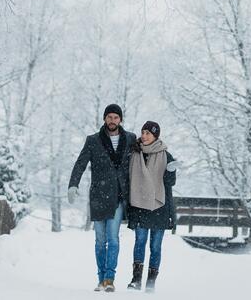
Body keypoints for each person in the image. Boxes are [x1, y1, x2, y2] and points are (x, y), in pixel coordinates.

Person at [67, 104, 136, 292]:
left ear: (120, 120)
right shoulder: (93, 140)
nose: (112, 120)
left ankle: (109, 279)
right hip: (98, 195)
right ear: (105, 119)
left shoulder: (130, 139)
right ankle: (100, 278)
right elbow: (80, 163)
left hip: (119, 196)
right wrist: (73, 184)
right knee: (100, 240)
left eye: (116, 117)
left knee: (113, 238)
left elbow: (144, 159)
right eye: (109, 117)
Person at [126, 121, 179, 293]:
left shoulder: (166, 156)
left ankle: (150, 283)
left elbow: (170, 184)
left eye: (148, 133)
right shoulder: (135, 153)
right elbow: (128, 179)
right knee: (139, 242)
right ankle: (136, 280)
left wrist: (171, 171)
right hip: (140, 205)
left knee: (155, 246)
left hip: (159, 207)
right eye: (143, 132)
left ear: (156, 135)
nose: (144, 135)